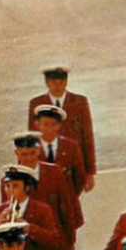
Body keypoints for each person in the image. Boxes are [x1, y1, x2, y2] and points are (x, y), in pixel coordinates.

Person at [28, 65, 97, 196]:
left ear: (66, 81)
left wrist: (90, 172)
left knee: (70, 205)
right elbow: (32, 139)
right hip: (45, 164)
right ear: (47, 83)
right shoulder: (37, 103)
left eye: (61, 81)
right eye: (53, 82)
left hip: (72, 166)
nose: (58, 85)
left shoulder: (79, 102)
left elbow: (87, 137)